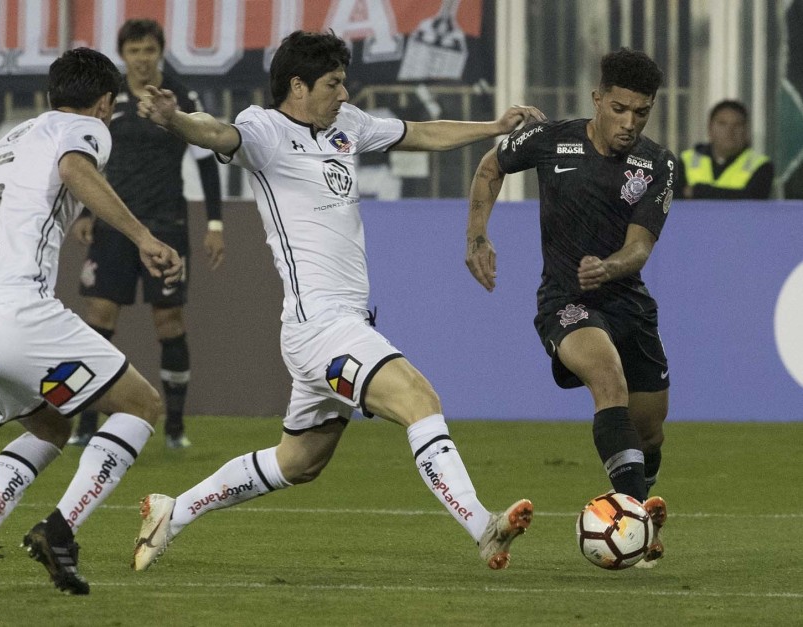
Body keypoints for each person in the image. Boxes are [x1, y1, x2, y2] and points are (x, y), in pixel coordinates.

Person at [129, 30, 546, 573]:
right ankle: (481, 525)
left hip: (334, 325)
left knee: (298, 462)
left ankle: (171, 512)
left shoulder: (346, 126)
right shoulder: (265, 129)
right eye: (333, 84)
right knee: (419, 397)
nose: (344, 95)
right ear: (297, 87)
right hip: (320, 328)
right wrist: (175, 120)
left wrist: (492, 127)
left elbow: (419, 132)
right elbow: (217, 134)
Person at [0, 48, 182, 595]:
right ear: (104, 103)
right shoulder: (84, 128)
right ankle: (60, 530)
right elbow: (74, 168)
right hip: (17, 312)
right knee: (141, 404)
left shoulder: (6, 145)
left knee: (49, 424)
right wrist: (143, 237)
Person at [465, 48, 673, 567]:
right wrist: (477, 236)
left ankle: (636, 498)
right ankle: (634, 525)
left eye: (641, 113)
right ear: (598, 99)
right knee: (609, 381)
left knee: (648, 432)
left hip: (628, 302)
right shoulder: (549, 139)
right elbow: (491, 166)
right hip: (566, 302)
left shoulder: (659, 164)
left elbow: (641, 246)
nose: (629, 123)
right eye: (620, 109)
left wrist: (611, 266)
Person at [68, 18, 225, 450]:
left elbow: (207, 158)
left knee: (168, 319)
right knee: (98, 317)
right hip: (114, 223)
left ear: (160, 53)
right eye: (134, 50)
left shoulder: (179, 97)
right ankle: (85, 422)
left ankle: (174, 427)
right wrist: (84, 211)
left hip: (167, 222)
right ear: (124, 55)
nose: (141, 58)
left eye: (149, 50)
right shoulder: (108, 97)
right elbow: (86, 155)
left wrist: (215, 223)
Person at [676, 99, 773, 199]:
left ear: (746, 131)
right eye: (722, 124)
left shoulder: (761, 165)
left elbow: (752, 198)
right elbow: (670, 198)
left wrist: (697, 191)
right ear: (710, 129)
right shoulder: (686, 160)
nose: (730, 131)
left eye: (737, 125)